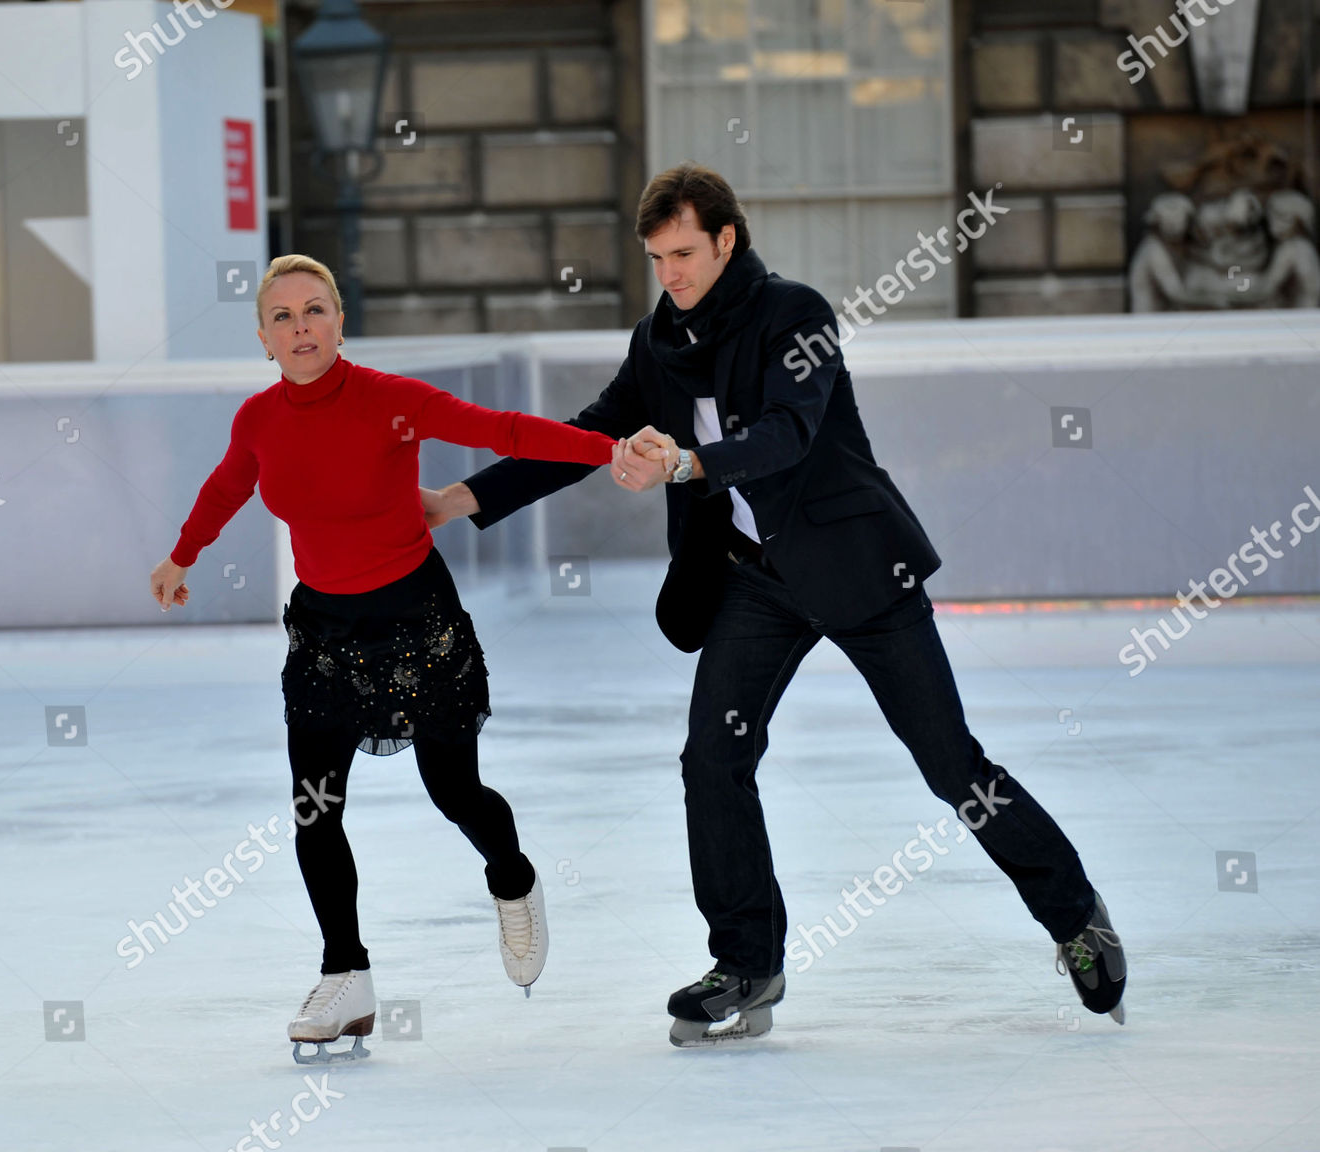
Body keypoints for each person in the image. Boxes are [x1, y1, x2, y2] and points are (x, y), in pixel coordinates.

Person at [423, 163, 1126, 1047]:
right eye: (656, 257)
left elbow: (787, 435)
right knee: (710, 760)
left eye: (684, 252)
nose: (670, 272)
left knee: (951, 765)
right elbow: (589, 433)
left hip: (859, 569)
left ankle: (1074, 915)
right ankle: (747, 961)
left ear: (726, 239)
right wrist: (466, 499)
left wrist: (685, 464)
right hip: (753, 579)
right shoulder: (658, 341)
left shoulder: (799, 315)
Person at [148, 254, 616, 1063]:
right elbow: (228, 486)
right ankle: (345, 975)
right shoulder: (258, 420)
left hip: (415, 621)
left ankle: (512, 878)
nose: (301, 327)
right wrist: (181, 555)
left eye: (316, 310)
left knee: (453, 788)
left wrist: (607, 449)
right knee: (314, 807)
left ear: (339, 321)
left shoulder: (391, 402)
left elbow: (501, 430)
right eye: (284, 316)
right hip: (326, 636)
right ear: (264, 338)